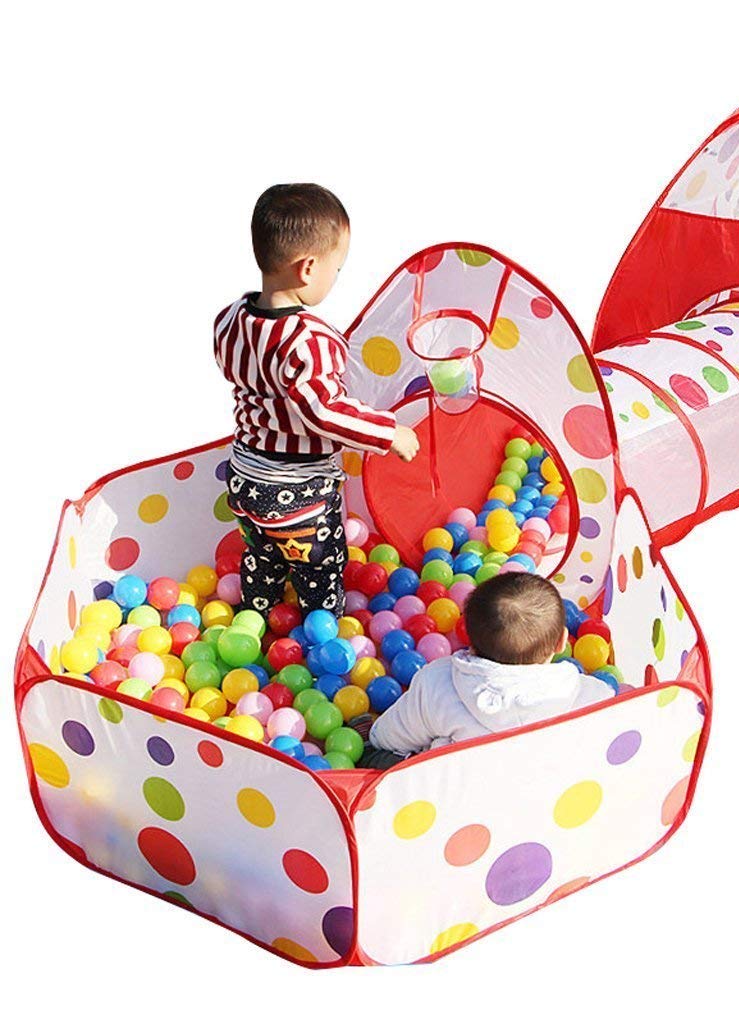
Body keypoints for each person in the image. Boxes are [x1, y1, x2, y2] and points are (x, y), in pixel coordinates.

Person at [214, 183, 419, 615]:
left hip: (245, 475)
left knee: (262, 554)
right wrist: (389, 433)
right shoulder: (309, 339)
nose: (336, 276)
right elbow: (324, 411)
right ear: (308, 268)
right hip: (298, 490)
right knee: (319, 567)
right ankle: (320, 629)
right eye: (337, 268)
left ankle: (255, 614)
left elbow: (237, 370)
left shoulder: (231, 318)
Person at [360, 574, 612, 768]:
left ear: (468, 638)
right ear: (562, 642)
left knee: (373, 754)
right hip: (540, 800)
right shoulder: (591, 695)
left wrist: (374, 737)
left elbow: (390, 737)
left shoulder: (437, 682)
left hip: (454, 799)